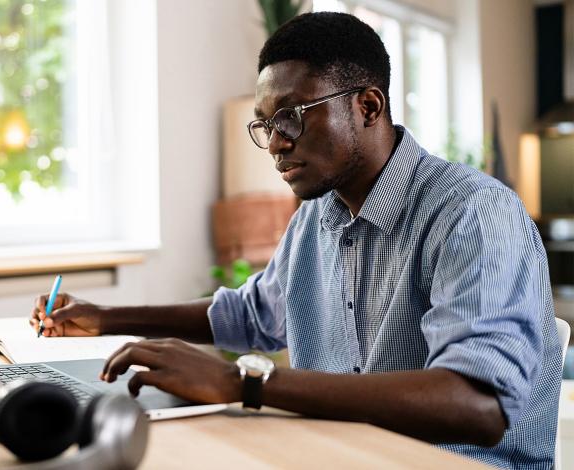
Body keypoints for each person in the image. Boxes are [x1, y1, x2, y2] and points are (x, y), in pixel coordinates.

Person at [28, 11, 561, 468]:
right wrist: (106, 318)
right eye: (265, 125)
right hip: (337, 452)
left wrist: (244, 383)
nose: (275, 144)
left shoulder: (472, 212)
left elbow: (477, 406)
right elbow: (250, 316)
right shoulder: (316, 217)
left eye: (292, 117)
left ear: (368, 107)